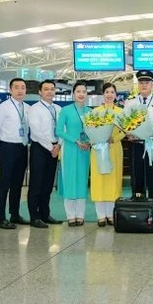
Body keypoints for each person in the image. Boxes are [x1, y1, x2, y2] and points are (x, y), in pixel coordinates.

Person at [0, 77, 30, 230]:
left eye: (23, 87)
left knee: (17, 184)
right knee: (4, 183)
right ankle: (1, 218)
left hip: (22, 147)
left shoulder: (27, 108)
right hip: (7, 147)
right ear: (10, 90)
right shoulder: (4, 107)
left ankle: (15, 214)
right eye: (16, 87)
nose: (20, 90)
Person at [124, 70, 153, 199]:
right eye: (141, 82)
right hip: (136, 144)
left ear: (152, 84)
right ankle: (138, 204)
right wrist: (128, 134)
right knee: (137, 177)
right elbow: (125, 122)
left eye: (147, 82)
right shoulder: (130, 102)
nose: (144, 85)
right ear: (138, 84)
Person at [26, 79, 63, 228]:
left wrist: (58, 145)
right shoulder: (34, 109)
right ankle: (34, 217)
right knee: (36, 184)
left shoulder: (58, 109)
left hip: (55, 148)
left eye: (52, 89)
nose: (49, 92)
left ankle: (45, 214)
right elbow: (36, 132)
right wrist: (50, 147)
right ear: (40, 92)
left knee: (48, 184)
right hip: (40, 148)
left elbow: (63, 129)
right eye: (46, 89)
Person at [56, 81, 92, 226]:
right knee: (70, 180)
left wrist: (89, 141)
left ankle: (80, 215)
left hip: (85, 150)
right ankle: (71, 215)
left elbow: (93, 131)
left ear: (87, 94)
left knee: (82, 181)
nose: (81, 94)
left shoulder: (90, 112)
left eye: (84, 91)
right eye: (78, 91)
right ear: (73, 94)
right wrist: (75, 140)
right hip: (70, 149)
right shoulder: (66, 110)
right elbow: (58, 131)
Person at [90, 82, 125, 227]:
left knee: (113, 180)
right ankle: (100, 216)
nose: (109, 95)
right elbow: (90, 130)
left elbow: (125, 131)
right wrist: (97, 138)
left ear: (116, 95)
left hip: (114, 149)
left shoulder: (121, 112)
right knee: (99, 180)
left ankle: (110, 214)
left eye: (112, 92)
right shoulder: (95, 112)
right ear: (103, 95)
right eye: (107, 92)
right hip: (98, 150)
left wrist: (113, 139)